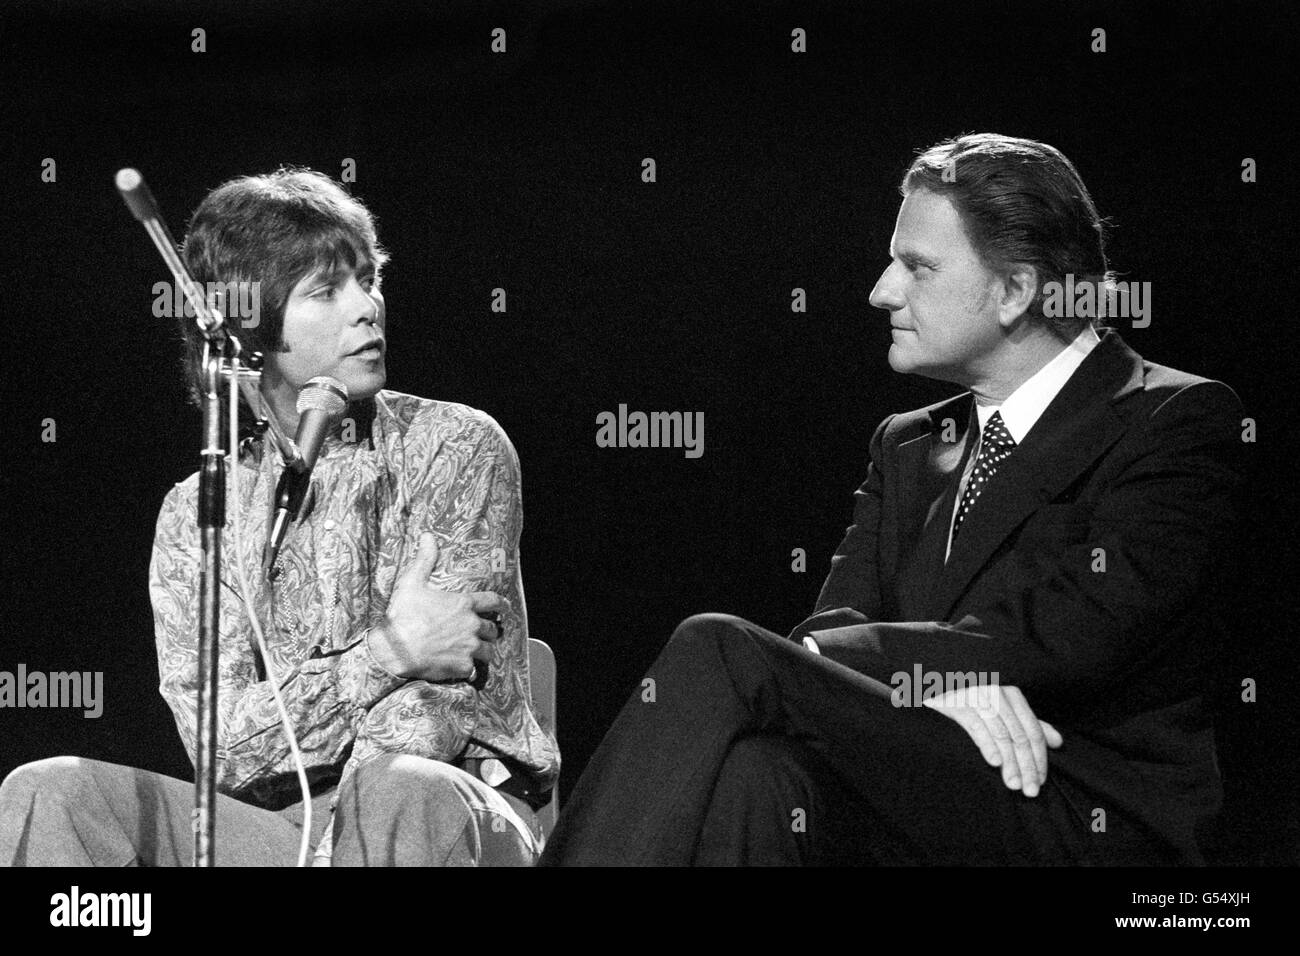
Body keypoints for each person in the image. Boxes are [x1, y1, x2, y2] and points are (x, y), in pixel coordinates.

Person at [539, 133, 1247, 866]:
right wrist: (934, 684)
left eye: (918, 267)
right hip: (924, 782)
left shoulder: (1172, 419)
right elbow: (844, 616)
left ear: (1016, 291)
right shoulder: (907, 442)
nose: (883, 290)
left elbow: (1075, 634)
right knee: (760, 776)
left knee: (720, 648)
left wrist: (886, 670)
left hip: (1072, 802)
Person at [0, 168, 559, 866]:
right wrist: (385, 653)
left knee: (393, 789)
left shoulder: (455, 445)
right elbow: (222, 749)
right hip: (275, 836)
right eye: (327, 291)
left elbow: (433, 711)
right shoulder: (198, 512)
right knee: (48, 792)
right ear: (249, 328)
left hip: (450, 805)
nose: (367, 308)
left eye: (368, 279)